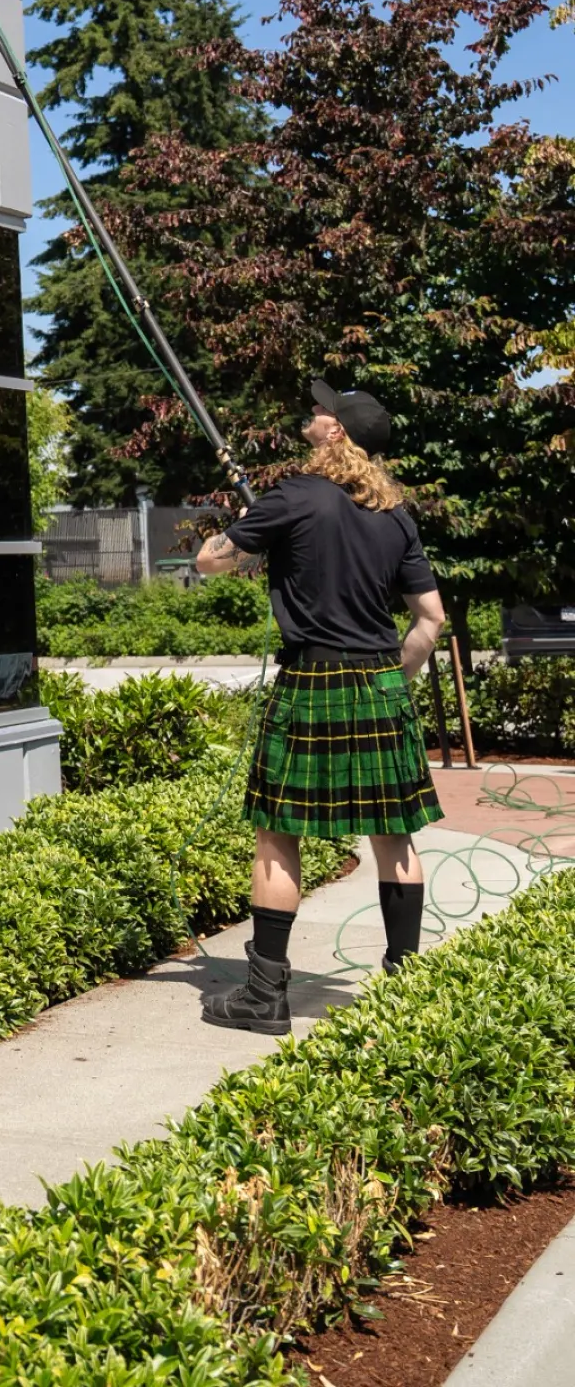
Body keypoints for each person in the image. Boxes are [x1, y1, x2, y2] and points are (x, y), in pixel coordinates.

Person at [193, 378, 444, 1034]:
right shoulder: (396, 513)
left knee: (278, 836)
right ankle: (404, 990)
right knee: (395, 835)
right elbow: (430, 619)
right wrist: (398, 675)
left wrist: (245, 526)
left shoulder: (296, 497)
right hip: (380, 683)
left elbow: (209, 562)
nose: (312, 412)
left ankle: (265, 998)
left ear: (336, 432)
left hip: (312, 683)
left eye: (322, 410)